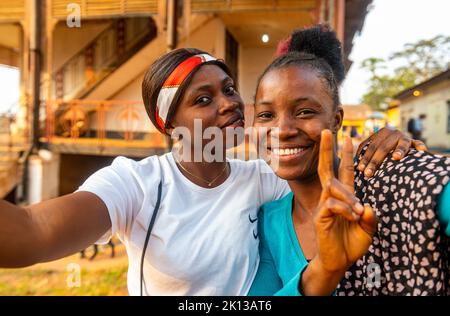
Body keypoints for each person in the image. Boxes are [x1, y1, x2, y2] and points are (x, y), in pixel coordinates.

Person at [0, 48, 424, 296]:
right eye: (203, 99)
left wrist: (384, 141)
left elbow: (323, 157)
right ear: (170, 124)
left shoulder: (264, 178)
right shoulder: (136, 184)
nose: (229, 104)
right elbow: (31, 231)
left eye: (229, 89)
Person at [248, 25, 450, 296]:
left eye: (305, 111)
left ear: (337, 120)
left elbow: (435, 187)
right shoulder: (269, 221)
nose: (282, 130)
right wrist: (325, 269)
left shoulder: (392, 180)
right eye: (265, 115)